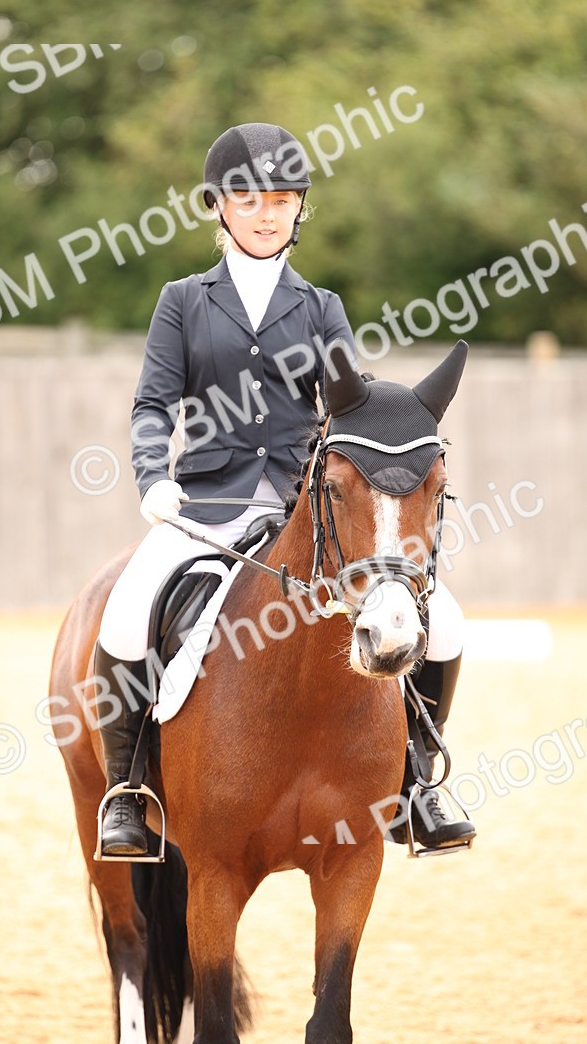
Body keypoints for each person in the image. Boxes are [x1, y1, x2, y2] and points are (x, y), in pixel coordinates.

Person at [93, 121, 475, 857]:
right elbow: (152, 405)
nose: (266, 213)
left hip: (305, 510)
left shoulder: (322, 306)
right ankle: (128, 790)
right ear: (218, 207)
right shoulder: (183, 301)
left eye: (281, 198)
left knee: (445, 619)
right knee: (128, 608)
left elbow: (345, 407)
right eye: (248, 199)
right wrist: (152, 478)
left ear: (300, 208)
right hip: (203, 507)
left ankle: (419, 780)